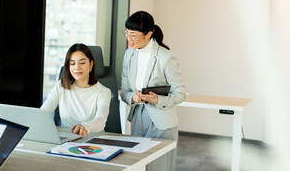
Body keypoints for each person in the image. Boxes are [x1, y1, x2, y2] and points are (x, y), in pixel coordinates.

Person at [120, 11, 186, 171]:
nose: (129, 38)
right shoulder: (129, 54)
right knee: (137, 166)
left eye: (133, 35)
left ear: (149, 34)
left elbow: (180, 94)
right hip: (137, 119)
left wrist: (158, 100)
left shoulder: (165, 58)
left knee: (159, 168)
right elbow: (124, 90)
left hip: (161, 122)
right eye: (126, 33)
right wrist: (133, 98)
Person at [41, 43, 111, 137]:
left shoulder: (103, 92)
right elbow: (43, 113)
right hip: (66, 139)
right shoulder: (61, 86)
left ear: (91, 64)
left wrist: (84, 127)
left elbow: (101, 120)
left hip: (93, 140)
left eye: (82, 63)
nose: (77, 68)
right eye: (72, 63)